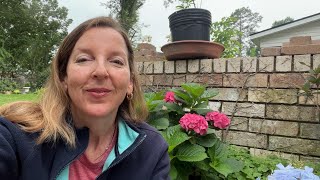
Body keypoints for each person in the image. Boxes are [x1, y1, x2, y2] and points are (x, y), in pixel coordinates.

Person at [0, 16, 170, 180]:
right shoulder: (17, 137)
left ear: (130, 83)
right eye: (84, 59)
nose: (101, 72)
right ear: (63, 77)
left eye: (117, 61)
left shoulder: (151, 150)